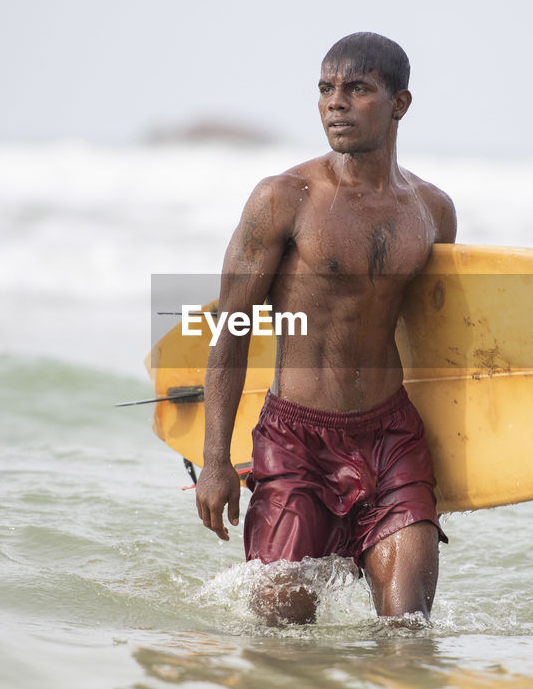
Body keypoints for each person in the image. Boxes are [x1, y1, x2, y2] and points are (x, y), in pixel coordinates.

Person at [193, 32, 457, 625]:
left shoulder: (433, 212)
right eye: (325, 89)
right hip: (296, 442)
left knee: (407, 633)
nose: (335, 103)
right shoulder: (285, 199)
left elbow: (437, 340)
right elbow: (230, 331)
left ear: (400, 104)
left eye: (357, 89)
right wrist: (215, 461)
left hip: (392, 439)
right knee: (282, 638)